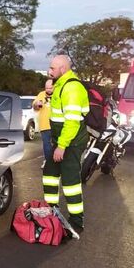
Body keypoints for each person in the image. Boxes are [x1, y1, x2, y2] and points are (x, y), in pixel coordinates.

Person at [43, 54, 89, 237]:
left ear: (63, 68)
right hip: (60, 139)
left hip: (71, 141)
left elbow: (72, 122)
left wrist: (62, 146)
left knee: (70, 182)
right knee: (50, 174)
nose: (49, 71)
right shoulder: (60, 85)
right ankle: (51, 211)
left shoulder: (72, 88)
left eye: (53, 68)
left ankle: (76, 221)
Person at [32, 78, 54, 167]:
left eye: (50, 88)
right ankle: (48, 162)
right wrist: (36, 105)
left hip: (56, 124)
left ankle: (57, 162)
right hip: (44, 124)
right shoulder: (41, 94)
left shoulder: (58, 94)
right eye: (47, 88)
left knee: (57, 145)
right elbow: (35, 107)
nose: (48, 90)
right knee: (46, 145)